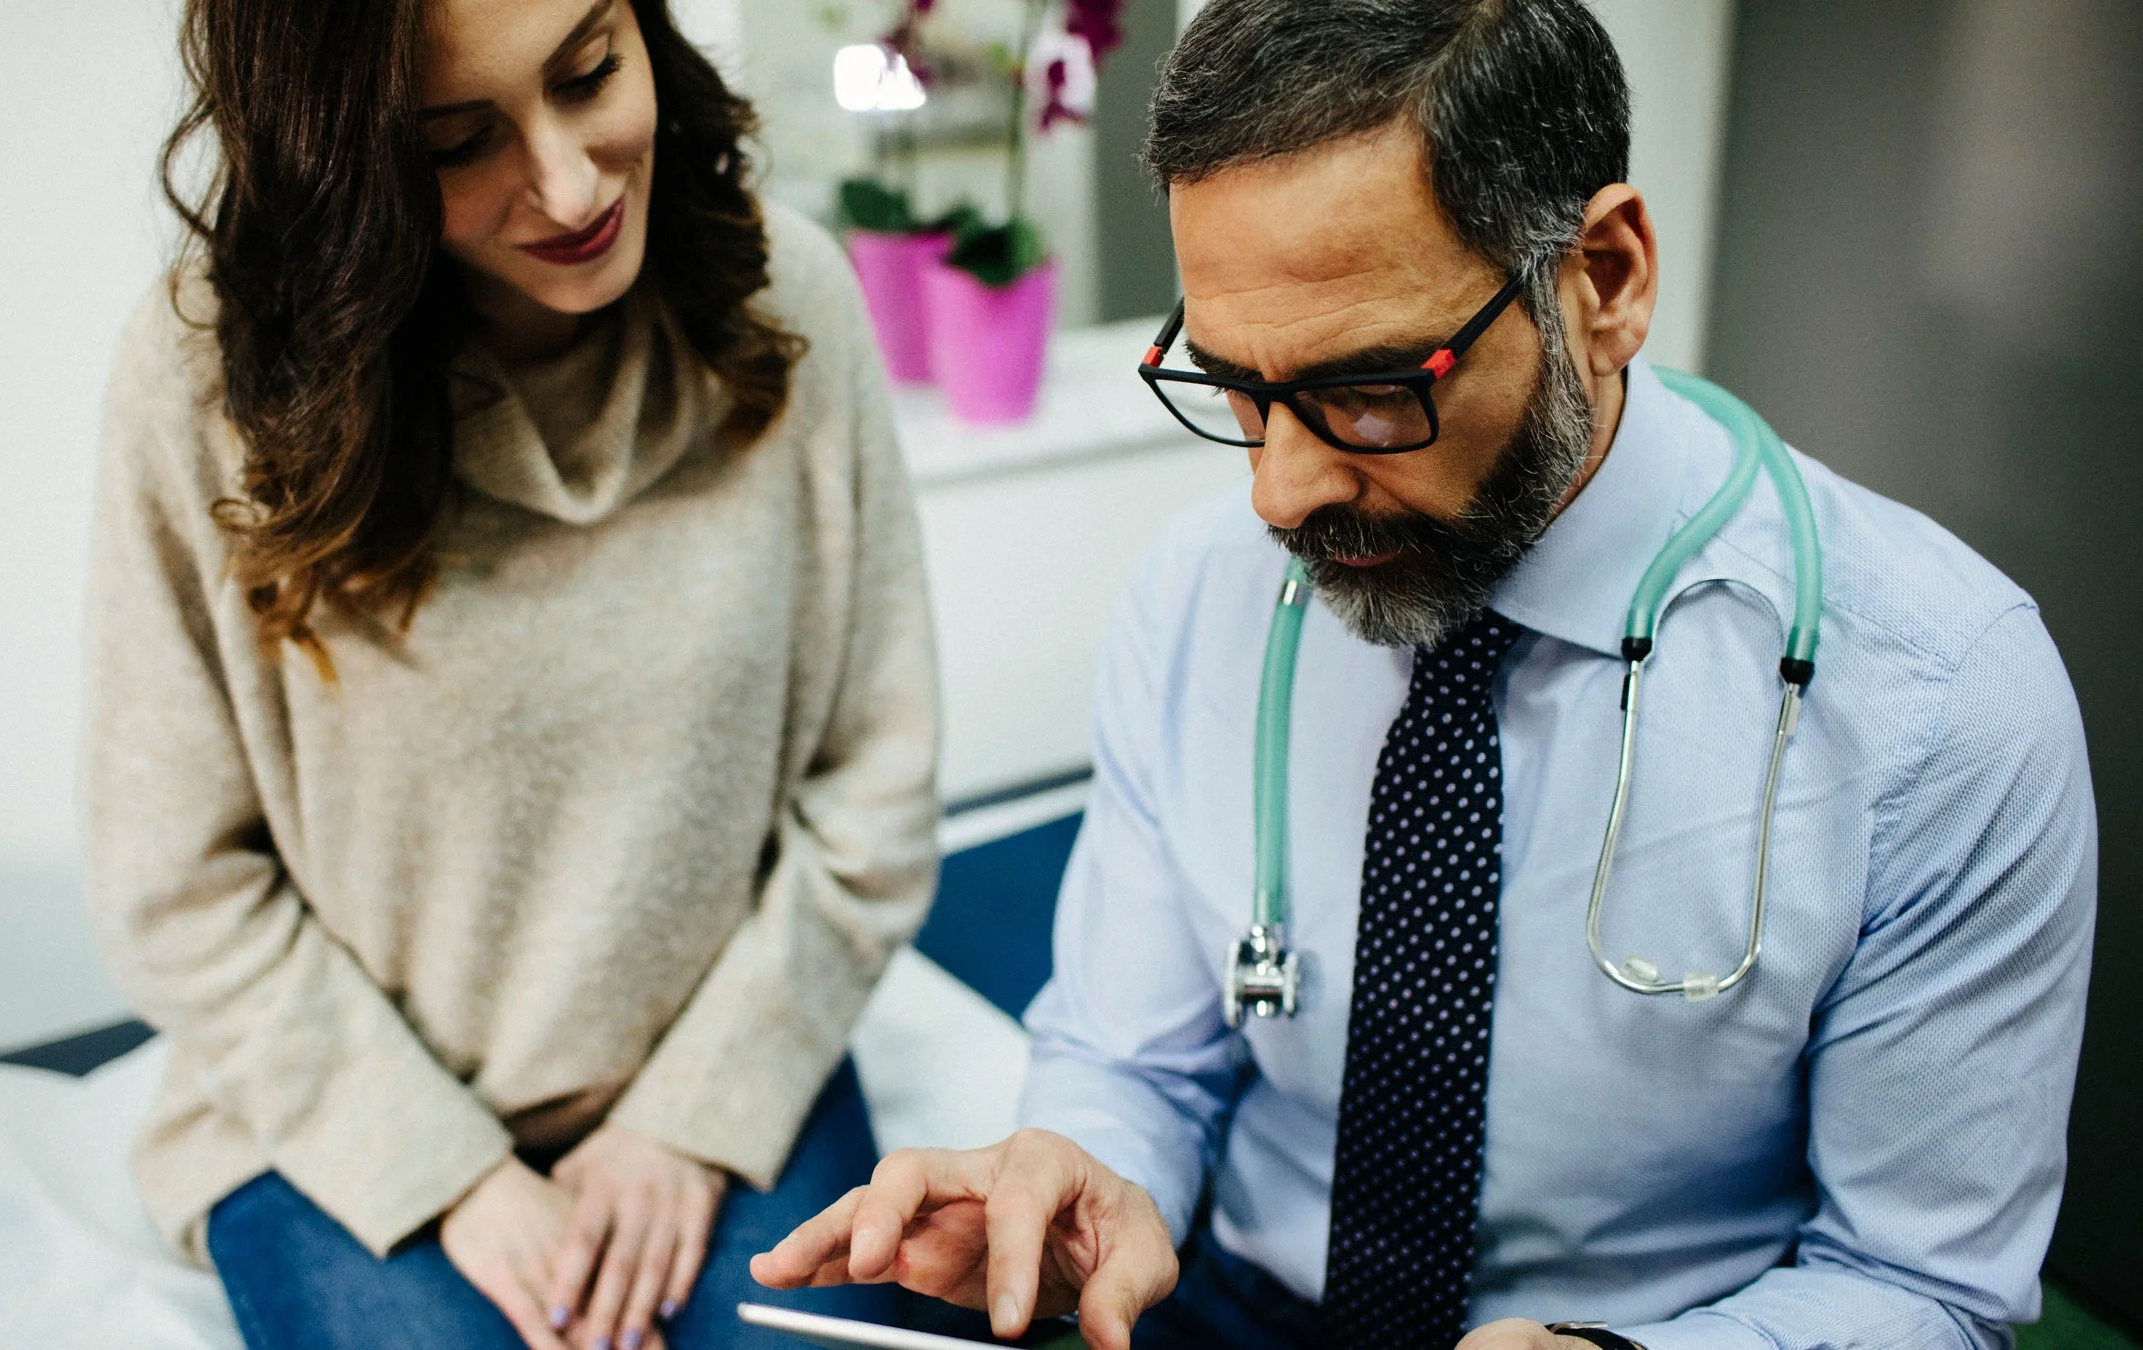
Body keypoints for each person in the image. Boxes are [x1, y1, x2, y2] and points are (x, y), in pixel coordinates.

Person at [752, 2, 2097, 1348]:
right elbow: (1131, 1056)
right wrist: (1091, 1174)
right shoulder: (1198, 591)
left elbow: (1924, 1285)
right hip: (1230, 1308)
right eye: (1234, 388)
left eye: (1375, 389)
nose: (1280, 491)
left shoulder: (1942, 703)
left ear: (1609, 277)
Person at [83, 1, 940, 1347]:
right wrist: (451, 1174)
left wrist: (689, 1117)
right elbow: (177, 882)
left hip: (703, 1067)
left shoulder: (792, 302)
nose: (570, 182)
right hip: (357, 1111)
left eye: (590, 71)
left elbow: (875, 787)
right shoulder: (212, 381)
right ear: (342, 166)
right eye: (454, 142)